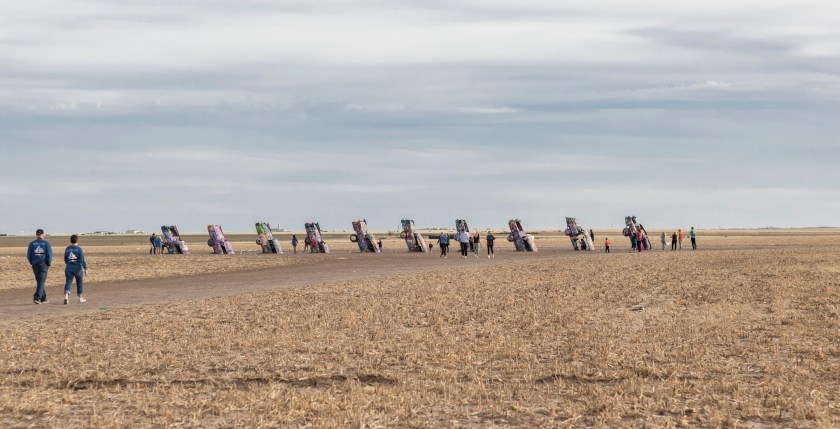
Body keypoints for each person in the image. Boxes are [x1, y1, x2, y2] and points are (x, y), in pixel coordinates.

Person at [27, 229, 53, 304]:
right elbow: (49, 255)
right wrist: (48, 263)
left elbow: (29, 255)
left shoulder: (32, 243)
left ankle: (43, 298)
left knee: (40, 281)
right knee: (41, 281)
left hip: (35, 265)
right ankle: (37, 297)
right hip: (43, 264)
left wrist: (32, 262)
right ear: (43, 234)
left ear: (36, 235)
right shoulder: (46, 243)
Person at [63, 235, 89, 304]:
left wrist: (69, 263)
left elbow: (65, 259)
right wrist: (85, 268)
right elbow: (82, 260)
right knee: (79, 282)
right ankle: (80, 298)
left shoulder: (67, 249)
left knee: (68, 282)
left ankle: (66, 297)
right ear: (77, 240)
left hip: (69, 268)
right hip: (78, 269)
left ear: (70, 241)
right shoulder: (79, 249)